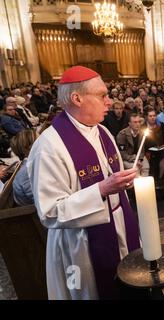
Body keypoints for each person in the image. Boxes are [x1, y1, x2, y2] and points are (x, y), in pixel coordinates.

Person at [27, 66, 140, 300]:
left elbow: (111, 174)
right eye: (102, 95)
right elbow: (49, 212)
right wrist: (102, 190)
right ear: (77, 98)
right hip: (81, 243)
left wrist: (125, 179)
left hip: (119, 224)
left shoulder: (103, 132)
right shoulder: (49, 147)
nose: (109, 102)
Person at [11, 129, 39, 206]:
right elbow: (41, 201)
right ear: (28, 148)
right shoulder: (27, 172)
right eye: (39, 140)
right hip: (32, 213)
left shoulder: (32, 163)